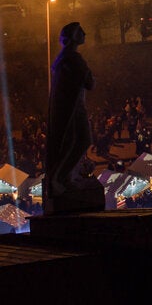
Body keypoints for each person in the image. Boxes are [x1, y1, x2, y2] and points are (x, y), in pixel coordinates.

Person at [43, 22, 95, 211]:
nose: (85, 33)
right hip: (74, 109)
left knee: (73, 142)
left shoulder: (62, 59)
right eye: (81, 32)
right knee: (81, 141)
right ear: (74, 37)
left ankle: (63, 177)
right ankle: (61, 177)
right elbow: (90, 83)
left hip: (70, 108)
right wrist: (88, 73)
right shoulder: (74, 59)